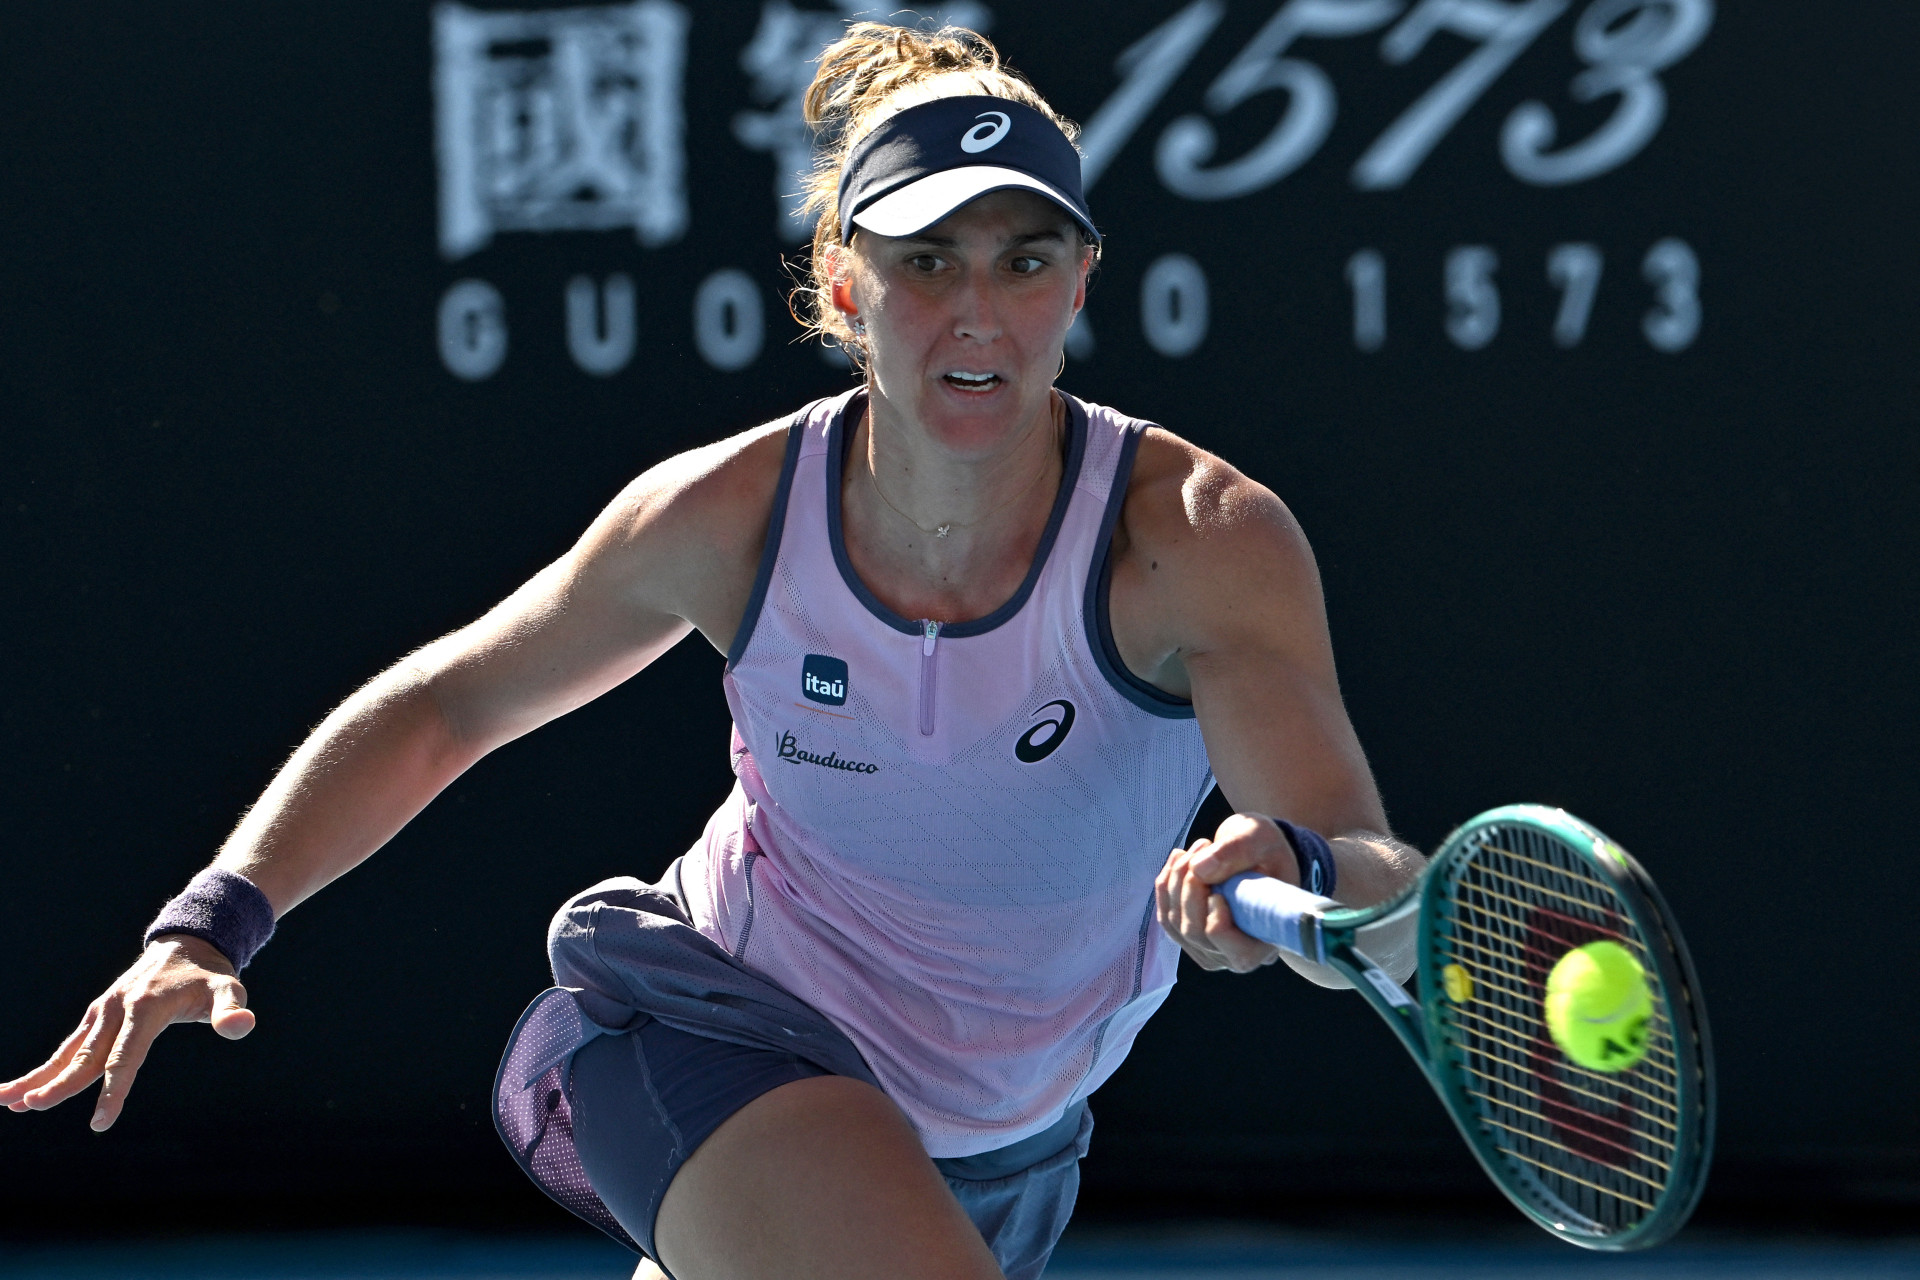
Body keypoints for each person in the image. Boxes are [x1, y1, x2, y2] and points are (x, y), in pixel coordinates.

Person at [2, 24, 1424, 1280]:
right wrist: (208, 924)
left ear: (1079, 282)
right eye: (926, 261)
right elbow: (451, 705)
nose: (977, 311)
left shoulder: (1199, 539)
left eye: (1024, 258)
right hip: (717, 1028)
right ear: (847, 285)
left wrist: (1292, 873)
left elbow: (1371, 875)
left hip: (1005, 1143)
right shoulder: (726, 517)